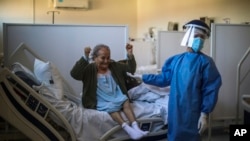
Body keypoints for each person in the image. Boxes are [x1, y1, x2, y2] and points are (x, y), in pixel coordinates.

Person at [128, 19, 222, 141]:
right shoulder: (176, 60)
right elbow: (163, 79)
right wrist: (143, 77)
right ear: (187, 37)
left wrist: (204, 114)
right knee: (174, 136)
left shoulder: (206, 62)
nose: (199, 40)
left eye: (202, 38)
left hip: (193, 111)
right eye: (196, 36)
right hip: (175, 109)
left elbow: (211, 89)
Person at [70, 43, 148, 140]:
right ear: (95, 58)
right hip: (100, 96)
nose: (106, 61)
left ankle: (136, 127)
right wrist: (85, 57)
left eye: (108, 57)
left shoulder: (114, 65)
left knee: (125, 101)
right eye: (103, 58)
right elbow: (74, 74)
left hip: (115, 93)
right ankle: (129, 130)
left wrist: (130, 54)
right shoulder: (89, 69)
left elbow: (131, 69)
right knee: (111, 107)